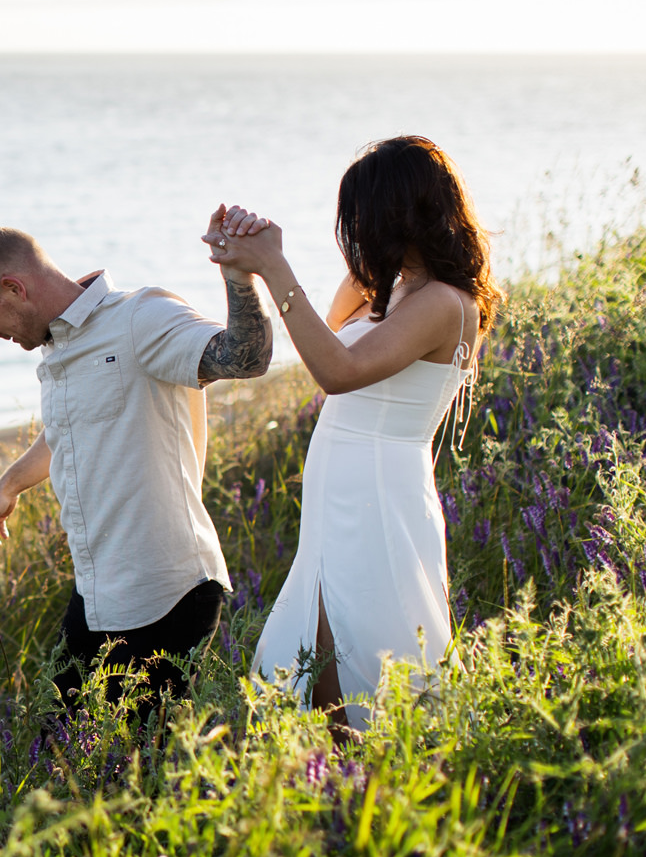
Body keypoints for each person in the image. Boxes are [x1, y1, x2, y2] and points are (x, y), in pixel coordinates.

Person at [205, 135, 503, 735]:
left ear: (401, 213)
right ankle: (334, 791)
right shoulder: (387, 289)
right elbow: (318, 334)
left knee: (367, 652)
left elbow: (338, 373)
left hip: (377, 492)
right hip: (338, 492)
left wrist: (276, 265)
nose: (354, 228)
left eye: (363, 213)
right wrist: (245, 265)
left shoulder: (447, 304)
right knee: (314, 659)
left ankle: (369, 791)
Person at [0, 219, 274, 717]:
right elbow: (68, 429)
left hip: (166, 591)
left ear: (14, 288)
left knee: (146, 761)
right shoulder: (60, 346)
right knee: (67, 748)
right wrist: (7, 486)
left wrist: (240, 276)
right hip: (98, 594)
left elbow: (247, 358)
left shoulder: (140, 317)